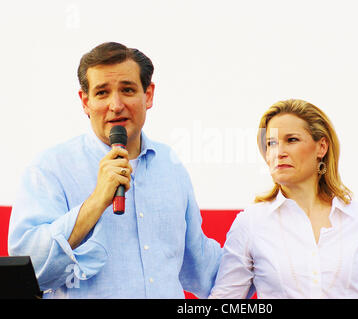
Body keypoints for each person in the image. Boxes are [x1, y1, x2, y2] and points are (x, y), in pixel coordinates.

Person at [8, 42, 222, 298]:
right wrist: (96, 201)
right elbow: (29, 269)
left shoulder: (170, 165)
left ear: (149, 95)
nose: (116, 104)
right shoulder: (51, 168)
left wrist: (262, 237)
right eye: (102, 93)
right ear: (85, 102)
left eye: (128, 90)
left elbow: (199, 264)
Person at [209, 99, 358, 298]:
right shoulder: (250, 224)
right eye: (271, 143)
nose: (278, 152)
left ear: (321, 147)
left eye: (291, 140)